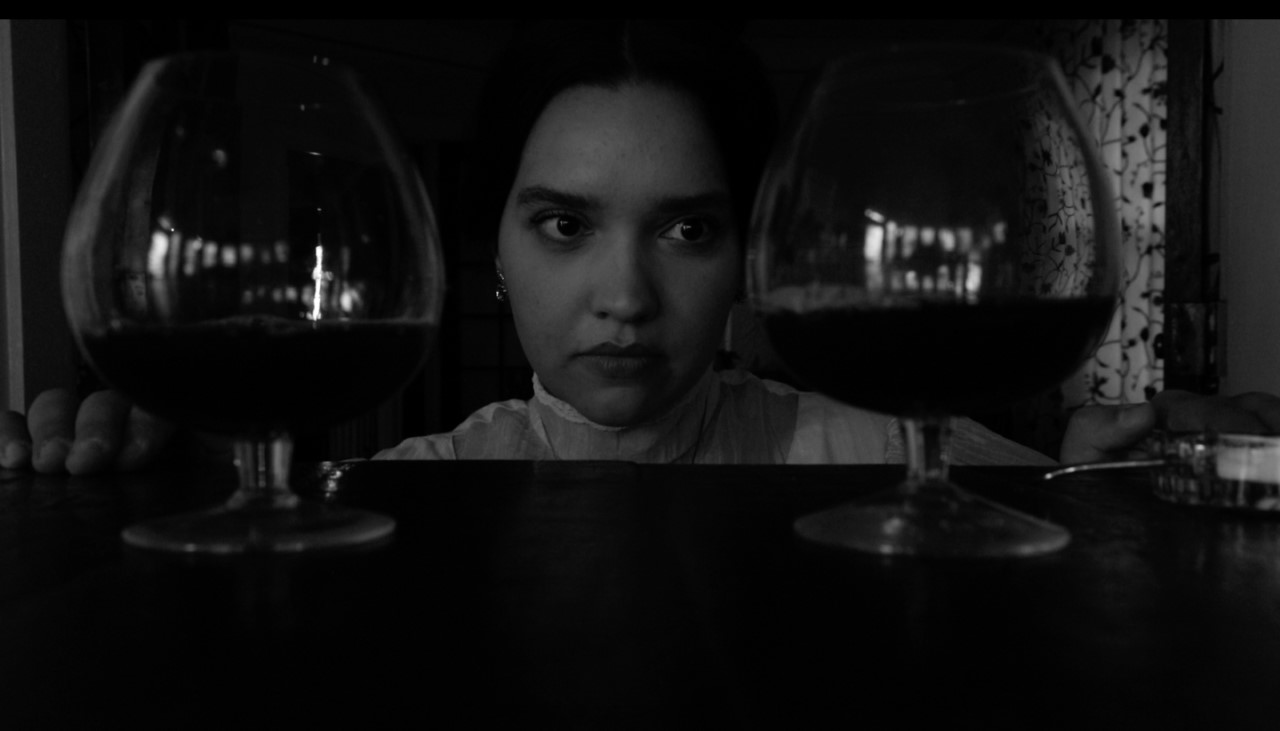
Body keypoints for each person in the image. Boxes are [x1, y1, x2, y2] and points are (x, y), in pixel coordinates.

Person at [2, 20, 1278, 472]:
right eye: (563, 223)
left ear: (747, 253)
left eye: (685, 228)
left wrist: (1121, 468)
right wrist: (111, 483)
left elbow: (1051, 488)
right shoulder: (425, 490)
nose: (623, 295)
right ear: (492, 246)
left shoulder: (857, 450)